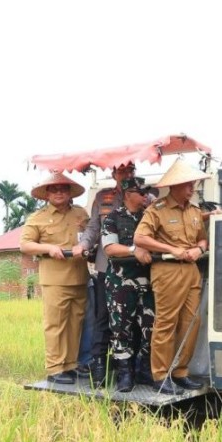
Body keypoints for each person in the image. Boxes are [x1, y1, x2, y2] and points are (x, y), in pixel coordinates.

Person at [134, 158, 210, 396]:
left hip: (191, 270)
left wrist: (199, 248)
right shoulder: (157, 210)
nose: (192, 188)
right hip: (167, 271)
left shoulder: (195, 210)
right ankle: (160, 375)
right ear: (174, 186)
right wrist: (171, 249)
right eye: (188, 184)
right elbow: (140, 238)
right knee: (167, 322)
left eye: (193, 184)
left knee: (190, 323)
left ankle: (180, 372)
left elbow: (202, 237)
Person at [19, 172, 90, 384]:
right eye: (54, 189)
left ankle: (70, 365)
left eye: (63, 189)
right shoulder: (37, 217)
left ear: (70, 193)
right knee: (55, 324)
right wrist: (49, 248)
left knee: (75, 323)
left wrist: (86, 247)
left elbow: (89, 235)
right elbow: (25, 245)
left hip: (79, 276)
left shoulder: (79, 213)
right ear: (47, 194)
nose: (59, 192)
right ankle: (55, 368)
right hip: (55, 279)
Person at [79, 163, 137, 386]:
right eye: (121, 171)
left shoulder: (146, 194)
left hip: (137, 269)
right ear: (113, 173)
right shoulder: (103, 197)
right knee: (103, 319)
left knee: (134, 321)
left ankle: (131, 371)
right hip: (107, 267)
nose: (126, 174)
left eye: (130, 170)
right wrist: (84, 245)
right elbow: (93, 228)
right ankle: (99, 370)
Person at [102, 180, 155, 392]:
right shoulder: (113, 217)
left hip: (147, 281)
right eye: (140, 192)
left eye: (146, 192)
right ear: (127, 194)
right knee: (121, 328)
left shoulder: (149, 217)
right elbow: (110, 248)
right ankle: (124, 373)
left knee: (151, 327)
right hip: (120, 282)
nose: (145, 196)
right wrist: (134, 250)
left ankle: (144, 369)